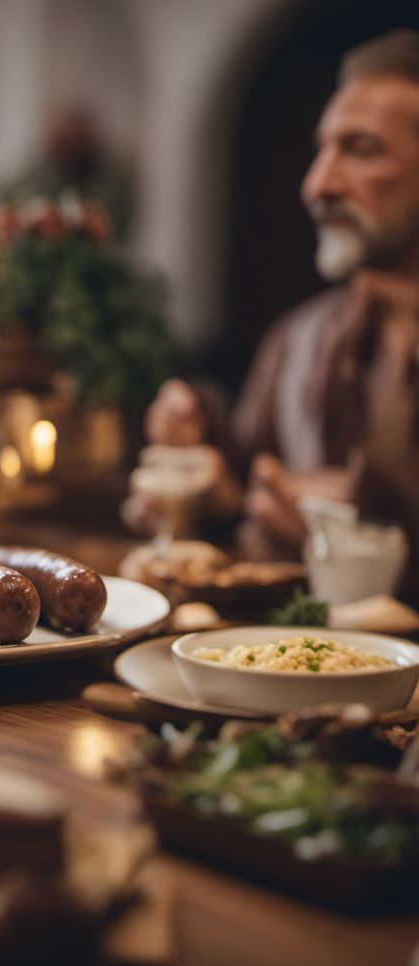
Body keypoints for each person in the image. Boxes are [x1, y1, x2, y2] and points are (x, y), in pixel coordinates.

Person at [126, 29, 419, 573]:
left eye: (360, 150)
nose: (317, 185)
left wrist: (353, 547)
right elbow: (243, 492)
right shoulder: (299, 340)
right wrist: (203, 480)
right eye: (322, 151)